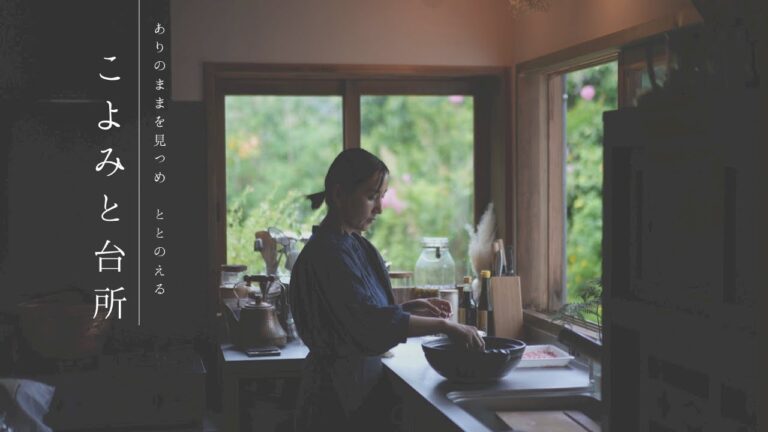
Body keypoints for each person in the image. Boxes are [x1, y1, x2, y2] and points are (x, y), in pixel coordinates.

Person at [289, 148, 484, 431]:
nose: (379, 208)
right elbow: (366, 325)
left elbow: (357, 315)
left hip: (356, 386)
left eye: (381, 197)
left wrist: (404, 310)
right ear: (339, 194)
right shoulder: (328, 253)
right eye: (371, 197)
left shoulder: (354, 245)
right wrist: (444, 325)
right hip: (335, 398)